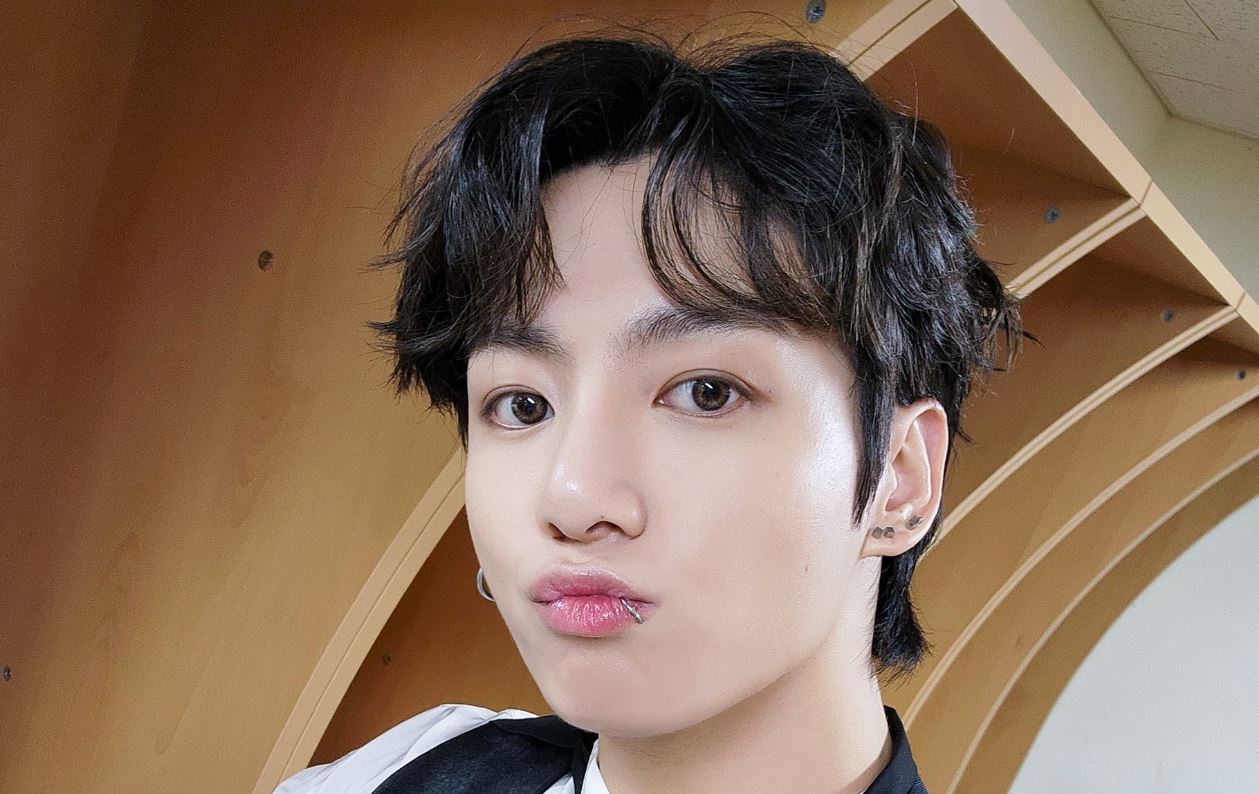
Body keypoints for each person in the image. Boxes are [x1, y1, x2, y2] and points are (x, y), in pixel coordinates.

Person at [276, 21, 1024, 794]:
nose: (572, 499)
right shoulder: (400, 770)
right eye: (523, 405)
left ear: (899, 479)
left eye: (705, 393)